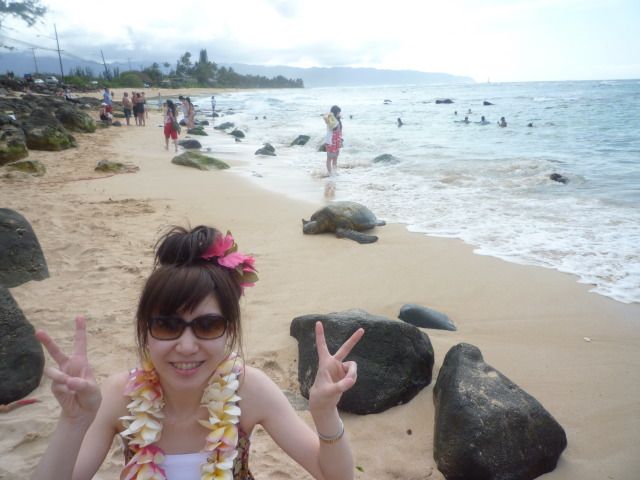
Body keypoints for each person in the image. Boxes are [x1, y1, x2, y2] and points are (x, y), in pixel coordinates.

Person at [33, 225, 364, 480]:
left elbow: (334, 476)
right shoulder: (119, 396)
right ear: (145, 330)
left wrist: (324, 413)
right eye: (167, 325)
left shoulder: (250, 390)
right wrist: (73, 422)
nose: (187, 346)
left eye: (207, 325)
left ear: (229, 330)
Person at [323, 105, 343, 176]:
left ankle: (334, 172)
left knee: (335, 157)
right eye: (338, 112)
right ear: (335, 112)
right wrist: (328, 115)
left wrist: (341, 140)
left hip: (337, 141)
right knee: (329, 158)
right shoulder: (330, 119)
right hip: (331, 141)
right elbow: (325, 117)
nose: (339, 114)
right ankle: (330, 173)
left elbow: (340, 131)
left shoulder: (338, 120)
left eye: (339, 113)